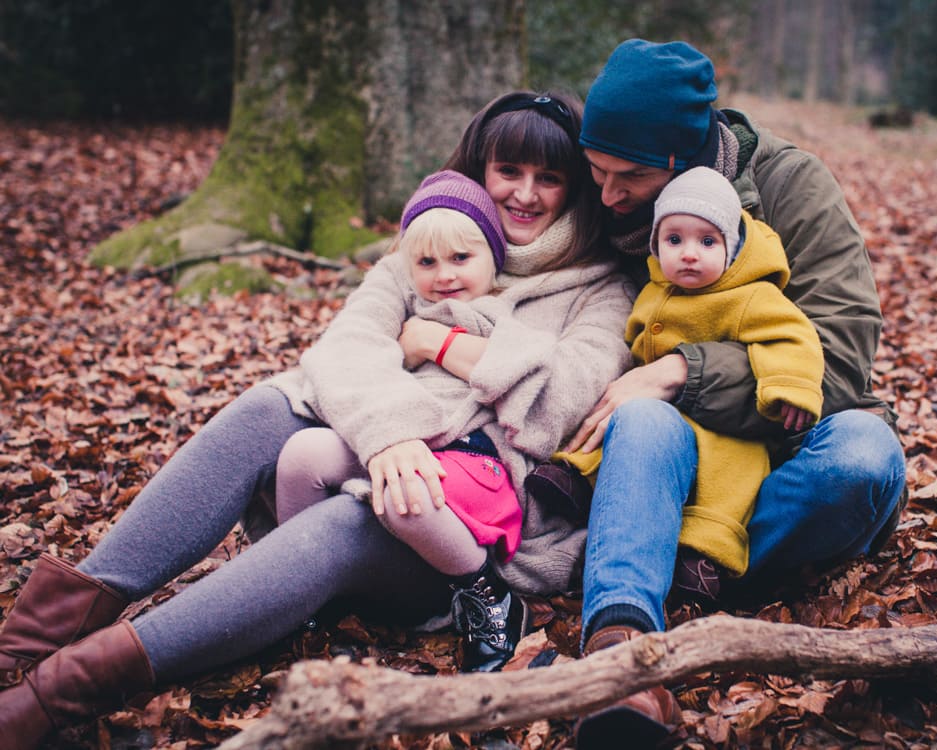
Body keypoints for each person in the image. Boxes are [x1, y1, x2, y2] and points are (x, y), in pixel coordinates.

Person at [0, 90, 635, 748]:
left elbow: (559, 400)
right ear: (481, 169)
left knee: (357, 512)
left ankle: (63, 692)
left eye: (549, 177)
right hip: (370, 458)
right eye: (510, 172)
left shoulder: (598, 287)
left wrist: (430, 343)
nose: (525, 194)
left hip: (466, 534)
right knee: (266, 407)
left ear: (573, 190)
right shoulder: (430, 243)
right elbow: (342, 351)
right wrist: (390, 434)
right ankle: (29, 643)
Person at [526, 40, 908, 749]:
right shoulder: (600, 190)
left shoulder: (793, 186)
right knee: (640, 418)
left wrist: (681, 369)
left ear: (691, 163)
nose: (606, 195)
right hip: (658, 453)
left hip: (783, 450)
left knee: (862, 459)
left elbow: (841, 358)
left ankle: (674, 561)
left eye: (631, 177)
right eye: (595, 170)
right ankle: (621, 658)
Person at [276, 169, 531, 673]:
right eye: (427, 262)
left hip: (473, 458)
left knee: (405, 494)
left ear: (493, 257)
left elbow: (531, 372)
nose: (445, 275)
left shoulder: (508, 308)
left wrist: (435, 344)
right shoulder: (404, 307)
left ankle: (490, 596)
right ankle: (305, 596)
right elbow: (349, 354)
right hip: (405, 439)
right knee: (300, 456)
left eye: (462, 258)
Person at [553, 166, 823, 606]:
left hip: (725, 431)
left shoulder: (750, 296)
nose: (689, 254)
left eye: (707, 241)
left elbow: (794, 338)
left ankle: (702, 559)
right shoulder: (655, 291)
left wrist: (790, 387)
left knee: (722, 494)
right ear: (656, 245)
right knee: (616, 429)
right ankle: (574, 475)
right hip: (658, 418)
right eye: (674, 240)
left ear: (731, 247)